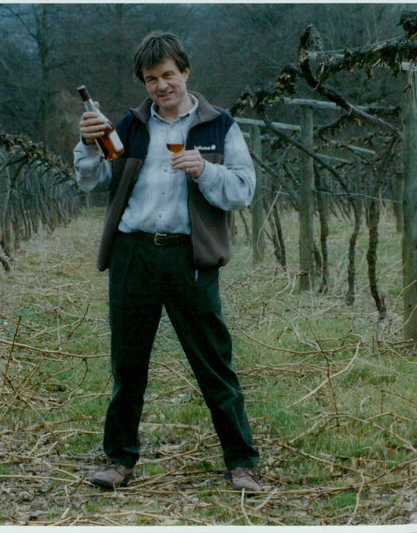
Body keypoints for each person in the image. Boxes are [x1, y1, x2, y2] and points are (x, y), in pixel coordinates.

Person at [73, 31, 261, 493]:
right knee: (128, 366)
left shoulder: (220, 125)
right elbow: (92, 181)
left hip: (189, 258)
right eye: (151, 78)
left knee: (214, 363)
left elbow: (244, 190)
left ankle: (241, 463)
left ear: (186, 72)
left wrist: (205, 169)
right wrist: (86, 145)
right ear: (144, 83)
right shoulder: (131, 126)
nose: (161, 86)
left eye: (169, 75)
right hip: (133, 255)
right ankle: (118, 461)